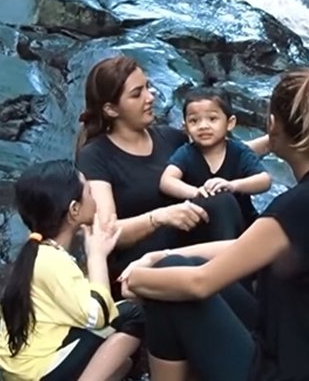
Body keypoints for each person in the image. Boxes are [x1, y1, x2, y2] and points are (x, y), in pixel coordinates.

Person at [120, 68, 309, 380]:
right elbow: (250, 246)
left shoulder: (301, 205)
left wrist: (137, 279)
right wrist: (159, 256)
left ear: (273, 125)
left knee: (167, 282)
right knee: (174, 264)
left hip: (287, 372)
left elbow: (200, 282)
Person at [75, 55, 268, 296]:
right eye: (137, 94)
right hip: (138, 265)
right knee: (219, 202)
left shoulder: (170, 138)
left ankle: (244, 292)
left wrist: (276, 140)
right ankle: (240, 297)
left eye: (148, 87)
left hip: (187, 251)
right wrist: (159, 218)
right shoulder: (96, 155)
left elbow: (229, 153)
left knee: (222, 197)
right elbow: (106, 231)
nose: (150, 97)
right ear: (111, 109)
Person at [0, 161, 139, 381]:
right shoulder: (51, 260)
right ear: (74, 209)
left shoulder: (37, 252)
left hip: (19, 368)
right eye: (89, 192)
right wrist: (97, 256)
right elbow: (96, 316)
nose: (94, 199)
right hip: (37, 372)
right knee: (135, 315)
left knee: (120, 364)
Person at [159, 88, 272, 228]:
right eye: (194, 121)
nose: (203, 126)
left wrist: (233, 186)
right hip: (202, 226)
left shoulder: (238, 151)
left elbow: (264, 180)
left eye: (212, 119)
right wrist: (195, 192)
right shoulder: (187, 153)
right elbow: (167, 181)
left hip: (243, 225)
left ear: (230, 123)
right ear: (186, 127)